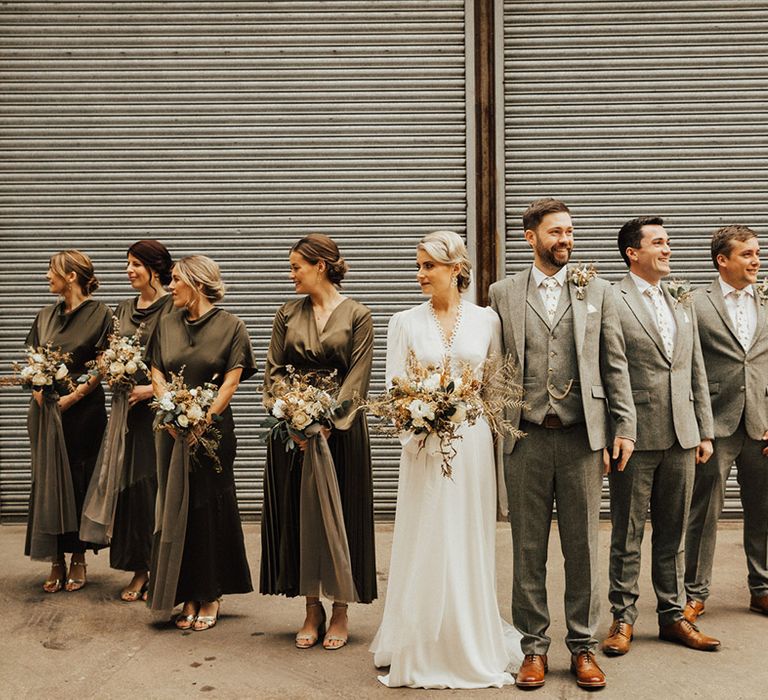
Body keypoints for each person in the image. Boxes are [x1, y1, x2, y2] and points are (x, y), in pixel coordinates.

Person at [488, 199, 636, 690]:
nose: (565, 240)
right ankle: (533, 649)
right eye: (555, 232)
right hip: (525, 437)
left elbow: (615, 363)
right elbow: (495, 366)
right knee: (527, 548)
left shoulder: (598, 289)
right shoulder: (502, 292)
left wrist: (624, 427)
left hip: (581, 439)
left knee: (582, 550)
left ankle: (583, 647)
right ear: (530, 237)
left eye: (569, 231)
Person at [370, 230, 523, 689]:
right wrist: (417, 421)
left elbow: (495, 386)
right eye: (418, 266)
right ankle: (420, 639)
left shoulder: (487, 321)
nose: (419, 274)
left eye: (427, 266)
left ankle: (468, 634)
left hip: (471, 443)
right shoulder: (404, 322)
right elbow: (395, 387)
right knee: (428, 532)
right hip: (423, 445)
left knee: (467, 534)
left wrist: (482, 421)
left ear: (456, 269)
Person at [602, 217, 719, 655]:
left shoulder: (679, 298)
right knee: (628, 534)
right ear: (633, 252)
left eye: (667, 242)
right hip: (636, 437)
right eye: (658, 242)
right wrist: (621, 427)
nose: (668, 249)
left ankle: (672, 617)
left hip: (683, 435)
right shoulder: (612, 298)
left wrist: (704, 429)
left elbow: (694, 368)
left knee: (673, 533)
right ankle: (623, 619)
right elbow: (612, 368)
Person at [261, 233, 376, 650]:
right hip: (293, 435)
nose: (290, 274)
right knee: (300, 515)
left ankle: (342, 609)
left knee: (340, 515)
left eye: (296, 267)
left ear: (320, 267)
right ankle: (312, 608)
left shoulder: (359, 315)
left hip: (340, 435)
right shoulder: (286, 313)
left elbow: (358, 376)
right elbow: (274, 370)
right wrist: (292, 416)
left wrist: (326, 422)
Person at [146, 255, 254, 631]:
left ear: (196, 282)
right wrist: (171, 411)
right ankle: (187, 593)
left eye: (175, 280)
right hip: (170, 432)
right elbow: (156, 370)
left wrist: (200, 420)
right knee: (176, 507)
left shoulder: (232, 327)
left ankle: (211, 594)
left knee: (209, 509)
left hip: (212, 435)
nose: (170, 285)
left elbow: (231, 382)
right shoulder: (166, 323)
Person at [80, 241, 174, 602]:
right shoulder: (123, 308)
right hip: (126, 415)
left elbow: (182, 358)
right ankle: (139, 570)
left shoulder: (173, 307)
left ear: (155, 269)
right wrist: (110, 369)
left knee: (155, 489)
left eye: (136, 264)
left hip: (160, 413)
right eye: (128, 264)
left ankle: (162, 569)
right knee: (131, 492)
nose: (128, 270)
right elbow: (109, 351)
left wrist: (151, 390)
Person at [684, 225, 768, 622]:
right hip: (715, 424)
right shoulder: (695, 303)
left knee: (763, 510)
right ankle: (696, 593)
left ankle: (762, 588)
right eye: (748, 254)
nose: (756, 260)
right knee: (704, 512)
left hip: (762, 424)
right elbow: (687, 366)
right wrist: (700, 426)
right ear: (723, 260)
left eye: (756, 253)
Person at [25, 250, 112, 592]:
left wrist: (72, 398)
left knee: (78, 481)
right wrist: (42, 396)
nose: (47, 276)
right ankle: (55, 560)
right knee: (48, 482)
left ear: (71, 276)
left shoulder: (100, 313)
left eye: (52, 270)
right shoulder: (45, 316)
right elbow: (33, 362)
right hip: (46, 411)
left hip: (84, 412)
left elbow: (102, 365)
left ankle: (77, 557)